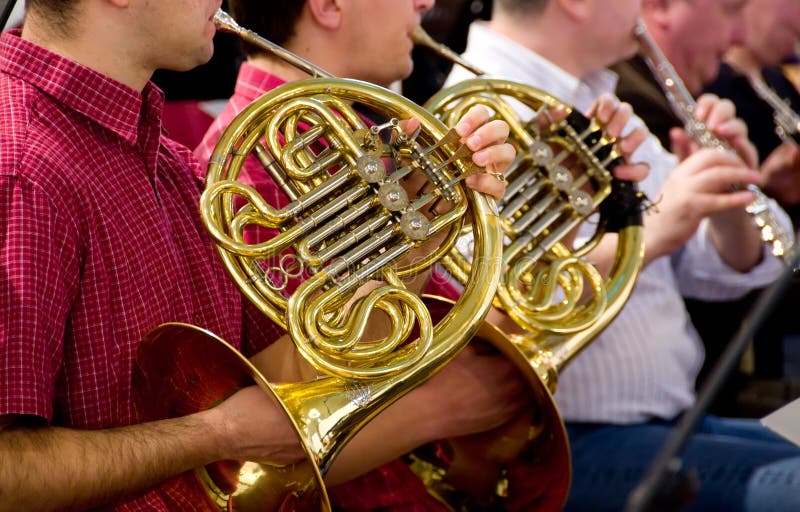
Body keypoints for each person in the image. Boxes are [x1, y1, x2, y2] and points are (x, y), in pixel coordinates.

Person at [0, 1, 526, 510]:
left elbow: (285, 371)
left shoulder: (165, 159)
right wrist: (216, 435)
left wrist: (420, 220)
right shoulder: (22, 168)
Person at [195, 1, 650, 510]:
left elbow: (458, 321)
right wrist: (443, 406)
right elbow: (291, 406)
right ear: (327, 6)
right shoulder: (242, 173)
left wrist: (561, 188)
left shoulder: (367, 139)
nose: (426, 2)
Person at [444, 0, 800, 510]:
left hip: (674, 422)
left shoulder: (598, 98)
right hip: (568, 445)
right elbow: (488, 294)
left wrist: (727, 202)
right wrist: (657, 230)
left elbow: (724, 270)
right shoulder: (477, 113)